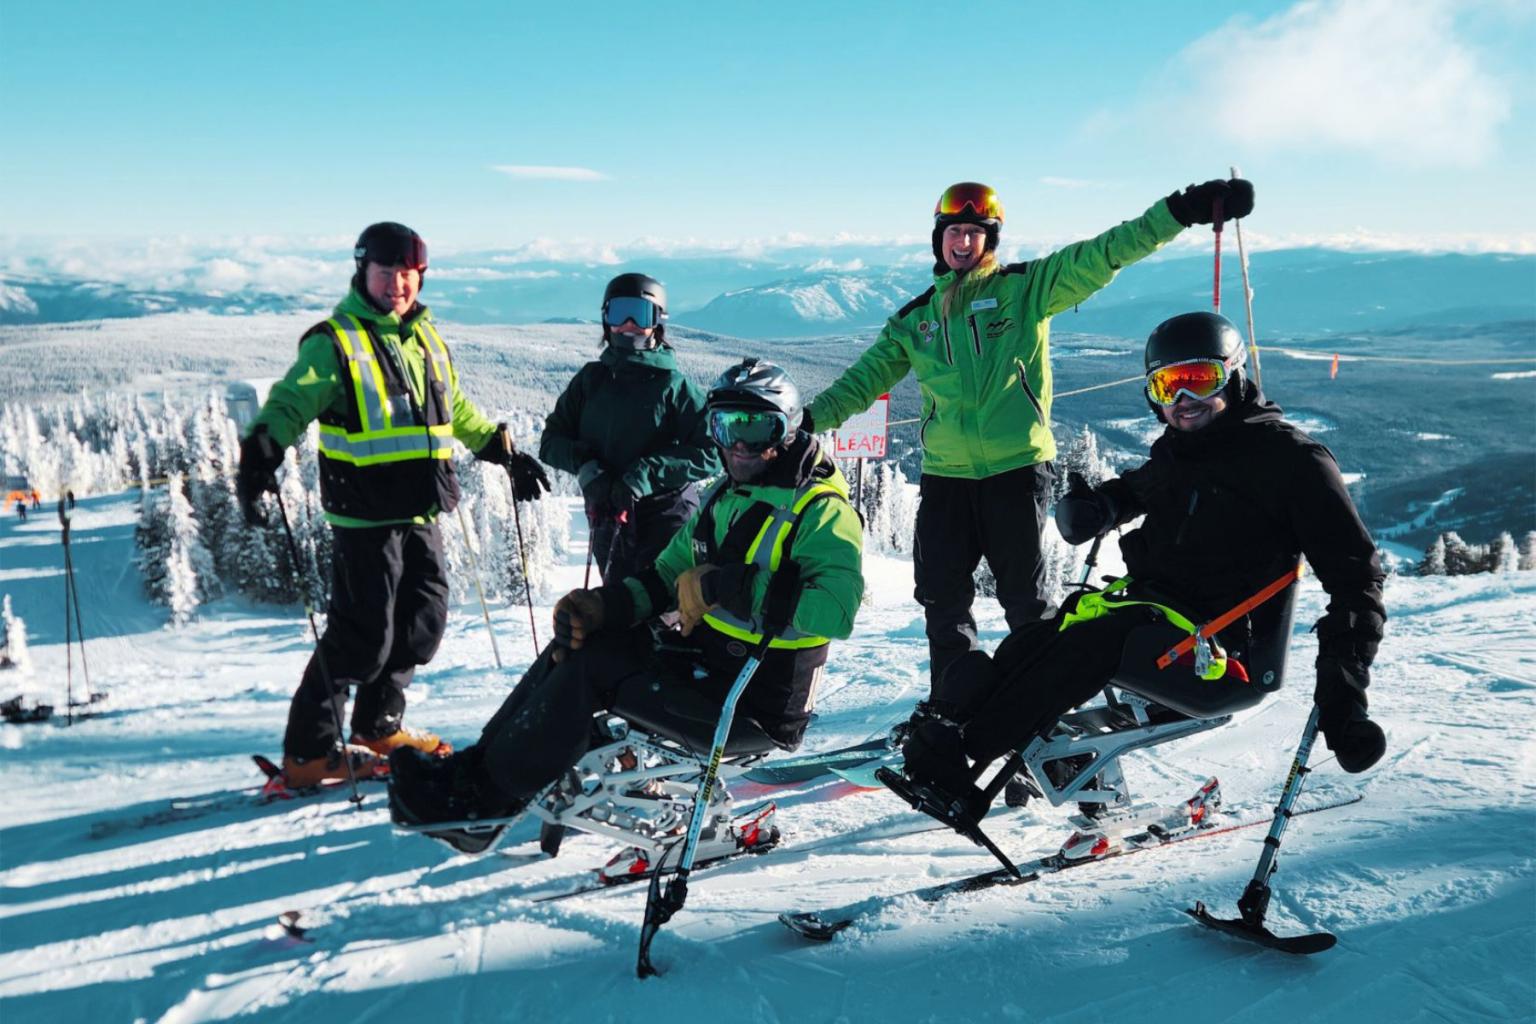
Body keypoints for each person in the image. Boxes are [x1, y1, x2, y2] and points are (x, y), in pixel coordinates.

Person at [896, 311, 1387, 821]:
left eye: (1199, 380)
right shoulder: (1186, 449)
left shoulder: (1294, 462)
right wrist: (1103, 505)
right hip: (1161, 618)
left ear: (1234, 375)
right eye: (1167, 385)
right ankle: (954, 728)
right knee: (1040, 637)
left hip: (1220, 652)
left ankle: (967, 753)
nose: (1182, 402)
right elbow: (1144, 485)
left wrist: (1344, 699)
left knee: (1093, 645)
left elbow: (1357, 583)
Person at [388, 358, 865, 851]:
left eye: (757, 426)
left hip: (754, 706)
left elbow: (835, 611)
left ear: (785, 431)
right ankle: (473, 774)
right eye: (725, 426)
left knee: (596, 667)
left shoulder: (820, 509)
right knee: (583, 640)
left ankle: (483, 807)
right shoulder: (727, 493)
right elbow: (665, 576)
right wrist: (605, 606)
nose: (738, 445)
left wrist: (726, 587)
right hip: (710, 671)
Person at [803, 179, 1255, 698]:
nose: (963, 243)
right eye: (954, 232)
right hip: (946, 479)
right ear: (939, 239)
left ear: (990, 239)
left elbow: (1106, 253)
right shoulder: (915, 321)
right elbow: (862, 382)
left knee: (1026, 604)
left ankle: (1038, 710)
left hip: (1015, 472)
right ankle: (953, 706)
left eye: (975, 233)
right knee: (943, 603)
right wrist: (804, 424)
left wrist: (1180, 210)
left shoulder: (1026, 289)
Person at [236, 221, 552, 788]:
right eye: (387, 273)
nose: (398, 285)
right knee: (360, 637)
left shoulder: (425, 338)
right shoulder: (335, 341)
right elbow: (291, 399)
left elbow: (454, 408)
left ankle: (379, 725)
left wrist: (501, 449)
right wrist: (262, 448)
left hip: (422, 510)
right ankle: (308, 752)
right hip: (365, 519)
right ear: (364, 272)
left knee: (420, 626)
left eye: (408, 275)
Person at [539, 273, 719, 584]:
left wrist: (647, 474)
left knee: (662, 608)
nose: (629, 324)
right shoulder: (590, 380)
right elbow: (551, 441)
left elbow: (713, 452)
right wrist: (586, 467)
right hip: (608, 514)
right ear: (606, 320)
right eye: (620, 313)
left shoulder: (674, 387)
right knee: (617, 607)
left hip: (666, 516)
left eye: (641, 314)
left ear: (657, 323)